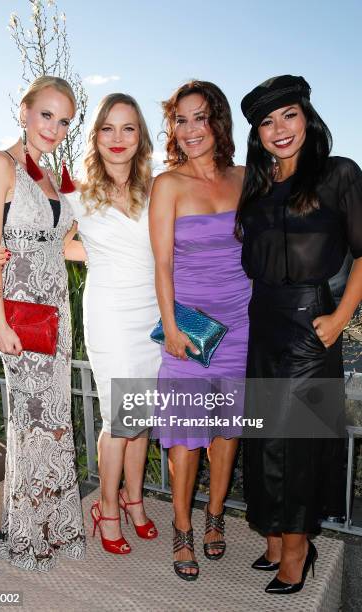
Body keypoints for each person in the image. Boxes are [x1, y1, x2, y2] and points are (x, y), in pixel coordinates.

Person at [236, 74, 362, 594]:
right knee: (264, 436)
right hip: (262, 323)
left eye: (288, 114)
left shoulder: (339, 174)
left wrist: (339, 321)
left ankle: (297, 547)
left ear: (307, 116)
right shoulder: (258, 184)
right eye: (267, 122)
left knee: (299, 441)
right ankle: (273, 533)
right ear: (257, 134)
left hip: (313, 325)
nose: (279, 129)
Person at [0, 76, 86, 571]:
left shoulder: (53, 175)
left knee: (55, 423)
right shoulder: (0, 164)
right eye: (46, 115)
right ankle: (27, 538)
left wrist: (127, 255)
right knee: (29, 423)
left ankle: (56, 529)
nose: (55, 128)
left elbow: (62, 246)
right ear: (24, 111)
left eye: (64, 120)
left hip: (56, 312)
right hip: (19, 314)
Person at [149, 81, 251, 580]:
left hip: (241, 325)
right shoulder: (167, 184)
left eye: (200, 118)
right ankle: (183, 527)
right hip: (187, 330)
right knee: (185, 438)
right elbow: (162, 263)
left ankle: (216, 518)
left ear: (218, 122)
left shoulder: (245, 178)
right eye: (181, 120)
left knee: (226, 433)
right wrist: (169, 325)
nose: (190, 130)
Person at [63, 93, 161, 554]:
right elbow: (55, 246)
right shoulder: (77, 195)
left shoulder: (156, 188)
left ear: (140, 136)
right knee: (119, 417)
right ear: (95, 136)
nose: (118, 139)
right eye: (108, 128)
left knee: (140, 417)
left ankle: (134, 499)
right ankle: (106, 505)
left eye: (128, 128)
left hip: (152, 315)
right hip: (109, 314)